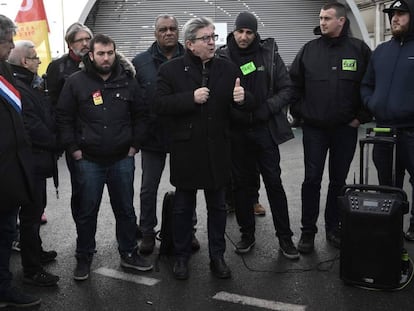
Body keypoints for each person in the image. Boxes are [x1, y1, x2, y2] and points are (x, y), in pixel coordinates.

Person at [154, 16, 255, 280]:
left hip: (218, 149)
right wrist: (190, 98)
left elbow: (242, 108)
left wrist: (243, 100)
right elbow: (159, 106)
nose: (212, 42)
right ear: (190, 44)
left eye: (214, 37)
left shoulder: (228, 68)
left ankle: (217, 257)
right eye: (206, 38)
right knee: (184, 207)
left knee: (218, 208)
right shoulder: (170, 71)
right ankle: (182, 257)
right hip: (186, 151)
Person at [56, 34, 153, 281]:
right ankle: (84, 256)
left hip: (122, 158)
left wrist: (134, 146)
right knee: (87, 211)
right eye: (101, 53)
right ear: (91, 55)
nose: (106, 58)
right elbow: (64, 118)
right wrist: (74, 149)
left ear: (115, 53)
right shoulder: (76, 82)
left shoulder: (127, 81)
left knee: (126, 210)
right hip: (88, 160)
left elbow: (141, 115)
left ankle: (129, 253)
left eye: (110, 53)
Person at [289, 1, 372, 253]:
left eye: (327, 18)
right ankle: (307, 232)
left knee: (338, 181)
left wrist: (361, 117)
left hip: (345, 130)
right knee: (311, 180)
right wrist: (300, 115)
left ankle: (333, 228)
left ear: (341, 21)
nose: (322, 22)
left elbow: (370, 85)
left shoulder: (359, 50)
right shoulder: (308, 50)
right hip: (314, 130)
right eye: (321, 17)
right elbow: (293, 86)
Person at [216, 12, 298, 259]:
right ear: (234, 31)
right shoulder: (222, 56)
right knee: (240, 186)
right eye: (240, 31)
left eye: (249, 32)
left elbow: (287, 89)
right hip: (237, 133)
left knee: (274, 183)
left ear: (255, 33)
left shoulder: (269, 55)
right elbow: (216, 92)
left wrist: (267, 108)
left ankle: (285, 238)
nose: (243, 37)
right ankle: (246, 234)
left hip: (264, 130)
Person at [132, 14, 199, 254]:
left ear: (179, 32)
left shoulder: (192, 59)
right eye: (163, 29)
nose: (168, 32)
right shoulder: (140, 63)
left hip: (184, 135)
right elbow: (135, 102)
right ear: (155, 33)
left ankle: (188, 231)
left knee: (187, 186)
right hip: (152, 137)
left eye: (172, 28)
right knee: (148, 188)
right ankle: (147, 233)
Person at [361, 0, 414, 241]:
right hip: (383, 130)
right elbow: (366, 84)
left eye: (401, 13)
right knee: (388, 183)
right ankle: (391, 225)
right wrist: (372, 103)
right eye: (392, 14)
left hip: (411, 132)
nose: (395, 18)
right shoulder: (380, 52)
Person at [8, 40, 60, 286]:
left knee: (35, 211)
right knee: (30, 217)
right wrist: (56, 141)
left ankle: (36, 254)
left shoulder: (30, 84)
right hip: (32, 163)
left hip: (37, 162)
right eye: (35, 57)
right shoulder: (19, 86)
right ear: (24, 61)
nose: (40, 61)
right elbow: (31, 125)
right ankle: (32, 270)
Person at [0, 14, 41, 307]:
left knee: (6, 231)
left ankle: (4, 286)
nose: (11, 46)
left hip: (11, 169)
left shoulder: (4, 70)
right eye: (6, 41)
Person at [46, 22, 93, 225]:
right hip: (75, 138)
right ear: (69, 44)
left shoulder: (99, 61)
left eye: (87, 39)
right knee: (81, 187)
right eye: (79, 40)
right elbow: (53, 105)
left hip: (102, 134)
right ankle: (82, 233)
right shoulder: (58, 67)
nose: (85, 43)